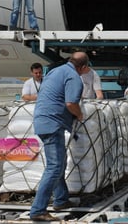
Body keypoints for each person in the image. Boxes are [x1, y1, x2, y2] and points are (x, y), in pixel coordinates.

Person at [29, 52, 87, 221]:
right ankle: (38, 209)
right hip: (53, 124)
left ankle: (61, 199)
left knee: (58, 163)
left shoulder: (56, 71)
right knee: (54, 167)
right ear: (83, 67)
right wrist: (80, 115)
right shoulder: (74, 77)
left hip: (43, 120)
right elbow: (71, 103)